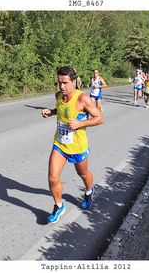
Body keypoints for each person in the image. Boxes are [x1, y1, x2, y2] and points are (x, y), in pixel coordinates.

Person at [42, 66, 104, 223]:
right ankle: (58, 205)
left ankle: (89, 191)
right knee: (52, 178)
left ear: (74, 82)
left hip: (78, 146)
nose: (62, 86)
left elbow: (99, 118)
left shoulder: (83, 99)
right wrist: (51, 112)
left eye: (65, 83)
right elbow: (61, 110)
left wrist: (79, 123)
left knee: (83, 174)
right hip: (60, 144)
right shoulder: (58, 96)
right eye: (59, 82)